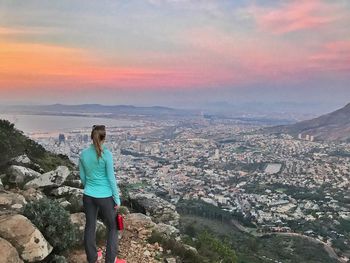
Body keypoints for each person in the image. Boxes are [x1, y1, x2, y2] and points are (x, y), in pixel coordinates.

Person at [79, 125, 121, 263]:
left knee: (90, 226)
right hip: (105, 197)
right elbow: (111, 179)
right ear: (104, 138)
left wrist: (90, 189)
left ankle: (92, 258)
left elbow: (83, 177)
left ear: (92, 136)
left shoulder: (83, 154)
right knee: (113, 227)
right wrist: (117, 199)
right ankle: (110, 260)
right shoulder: (106, 154)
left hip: (88, 196)